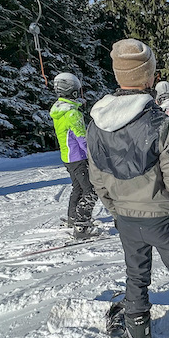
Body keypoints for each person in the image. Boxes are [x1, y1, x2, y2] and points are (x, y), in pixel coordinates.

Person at [85, 39, 169, 338]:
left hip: (127, 218)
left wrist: (115, 210)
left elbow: (97, 177)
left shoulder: (96, 124)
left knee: (136, 276)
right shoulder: (160, 123)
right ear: (149, 77)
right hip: (164, 218)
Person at [49, 72, 98, 239]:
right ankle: (82, 226)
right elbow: (82, 138)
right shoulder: (72, 113)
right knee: (90, 189)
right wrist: (93, 154)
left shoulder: (59, 110)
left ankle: (73, 217)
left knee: (78, 187)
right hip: (78, 157)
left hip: (68, 157)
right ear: (73, 92)